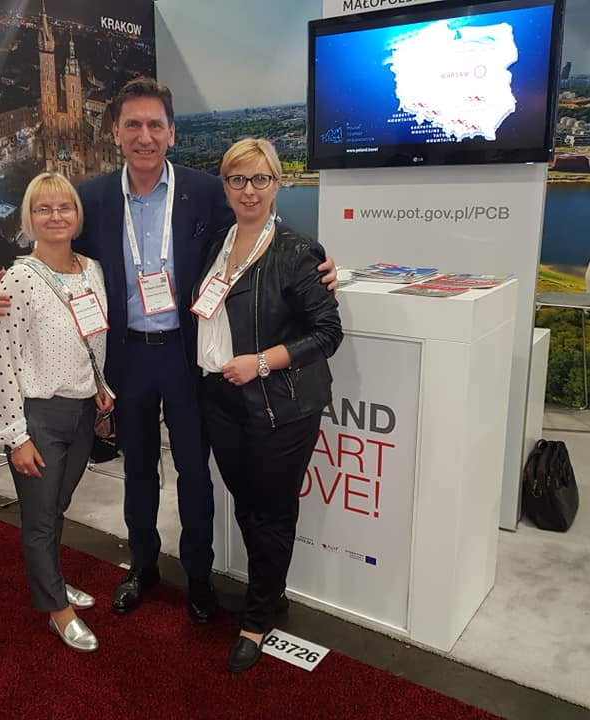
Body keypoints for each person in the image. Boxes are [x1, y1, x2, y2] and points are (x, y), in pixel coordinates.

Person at [0, 77, 338, 623]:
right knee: (139, 469)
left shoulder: (205, 191)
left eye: (155, 125)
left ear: (171, 132)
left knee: (195, 472)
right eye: (133, 125)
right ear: (116, 132)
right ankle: (143, 565)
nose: (144, 136)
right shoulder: (93, 198)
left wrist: (321, 266)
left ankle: (198, 575)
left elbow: (258, 231)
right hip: (127, 357)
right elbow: (54, 250)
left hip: (187, 355)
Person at [194, 138, 342, 672]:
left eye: (261, 179)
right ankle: (269, 590)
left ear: (278, 184)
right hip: (222, 398)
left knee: (272, 511)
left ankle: (256, 620)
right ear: (225, 186)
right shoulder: (216, 242)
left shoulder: (298, 252)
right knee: (247, 504)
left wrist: (261, 362)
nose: (249, 190)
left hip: (280, 405)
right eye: (238, 179)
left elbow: (328, 333)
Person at [0, 172, 113, 652]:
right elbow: (2, 361)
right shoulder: (17, 280)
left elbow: (93, 337)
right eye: (44, 209)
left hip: (81, 412)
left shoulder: (92, 269)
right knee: (40, 519)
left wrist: (101, 386)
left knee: (57, 506)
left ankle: (54, 580)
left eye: (64, 207)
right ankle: (56, 610)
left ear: (78, 216)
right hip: (37, 416)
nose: (56, 216)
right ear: (29, 218)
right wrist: (15, 436)